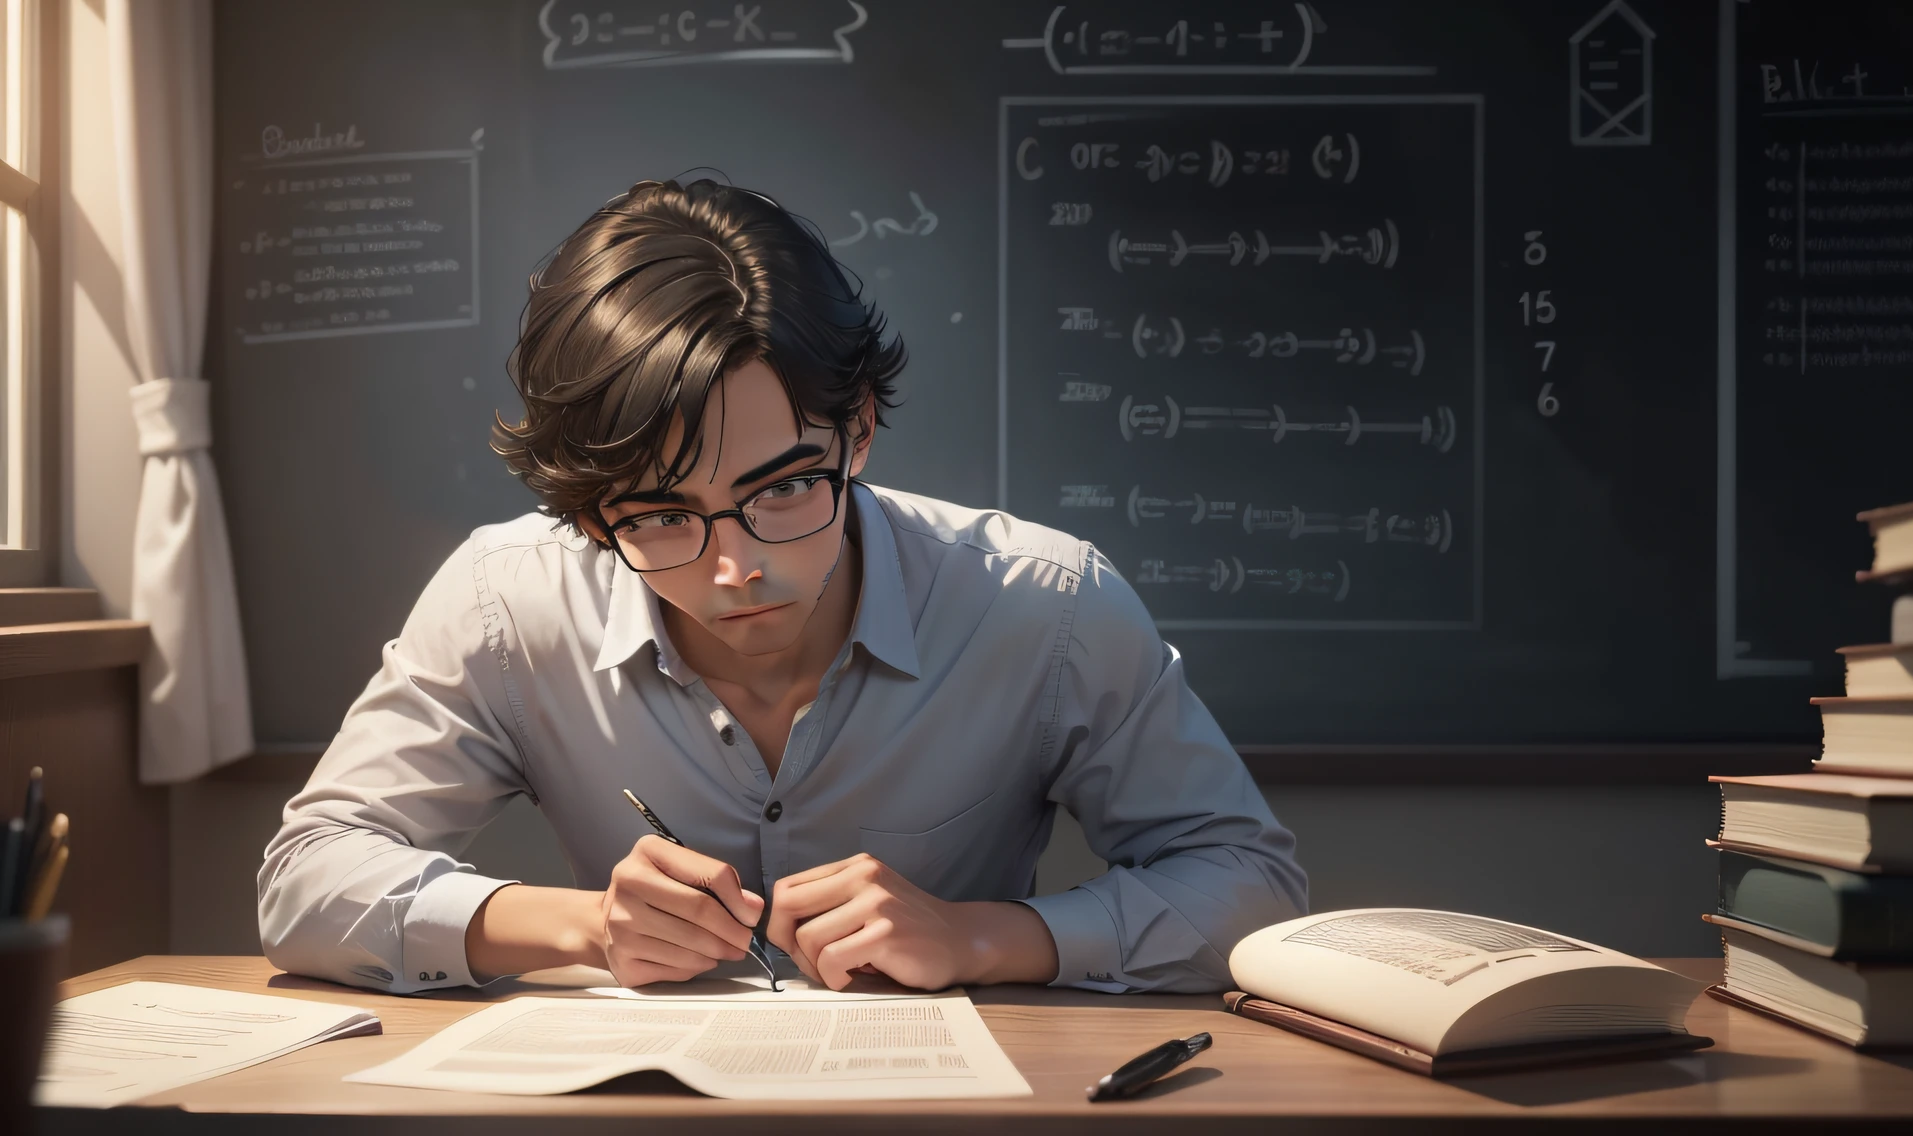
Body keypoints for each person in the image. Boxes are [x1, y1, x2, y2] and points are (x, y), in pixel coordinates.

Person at [258, 177, 1307, 996]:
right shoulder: (504, 600)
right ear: (587, 515)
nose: (735, 567)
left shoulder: (1047, 605)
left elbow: (1248, 890)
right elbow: (306, 877)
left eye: (784, 486)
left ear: (857, 434)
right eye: (661, 514)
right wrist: (574, 923)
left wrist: (979, 934)